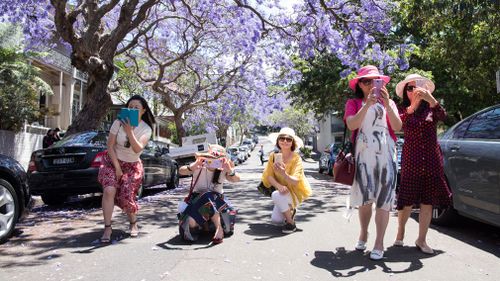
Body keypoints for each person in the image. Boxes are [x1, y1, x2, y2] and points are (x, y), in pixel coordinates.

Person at [344, 65, 402, 260]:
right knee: (365, 200)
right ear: (359, 84)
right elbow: (352, 124)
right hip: (364, 156)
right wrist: (367, 105)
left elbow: (398, 127)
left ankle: (379, 242)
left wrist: (386, 106)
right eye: (366, 81)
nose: (370, 85)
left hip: (387, 155)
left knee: (384, 200)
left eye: (374, 81)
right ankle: (363, 232)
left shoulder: (390, 103)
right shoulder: (353, 103)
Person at [393, 74, 452, 254]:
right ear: (405, 92)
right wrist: (413, 107)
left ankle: (422, 239)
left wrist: (431, 99)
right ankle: (400, 231)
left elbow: (444, 116)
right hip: (412, 161)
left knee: (428, 201)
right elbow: (400, 124)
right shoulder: (402, 108)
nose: (414, 91)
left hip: (432, 160)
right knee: (407, 201)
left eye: (418, 87)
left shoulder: (431, 108)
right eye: (410, 88)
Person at [97, 95, 155, 243]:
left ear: (143, 111)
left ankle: (133, 223)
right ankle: (107, 227)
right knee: (109, 190)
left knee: (126, 197)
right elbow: (110, 146)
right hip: (113, 161)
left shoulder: (146, 129)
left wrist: (129, 130)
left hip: (132, 165)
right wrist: (117, 168)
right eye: (130, 107)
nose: (132, 110)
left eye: (136, 108)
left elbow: (137, 149)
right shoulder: (118, 122)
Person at [178, 144, 240, 244]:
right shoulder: (199, 166)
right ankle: (214, 227)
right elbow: (181, 171)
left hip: (218, 202)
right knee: (191, 223)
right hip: (197, 201)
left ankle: (218, 227)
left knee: (209, 195)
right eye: (211, 158)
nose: (213, 162)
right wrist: (192, 167)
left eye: (217, 159)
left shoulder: (223, 169)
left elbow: (237, 179)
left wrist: (230, 171)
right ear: (206, 157)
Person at [261, 127, 312, 234]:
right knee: (276, 220)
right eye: (282, 138)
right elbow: (269, 176)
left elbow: (296, 181)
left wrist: (283, 174)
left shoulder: (296, 158)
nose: (285, 141)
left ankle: (291, 223)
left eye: (288, 139)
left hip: (295, 191)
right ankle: (289, 210)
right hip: (281, 191)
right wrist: (279, 186)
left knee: (275, 195)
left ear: (292, 142)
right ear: (278, 141)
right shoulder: (273, 156)